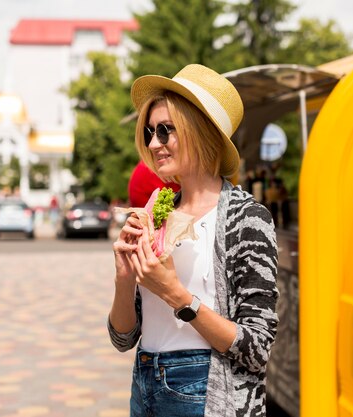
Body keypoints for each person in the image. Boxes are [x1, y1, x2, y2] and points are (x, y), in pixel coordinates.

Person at [108, 64, 279, 417]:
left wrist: (176, 295)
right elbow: (123, 339)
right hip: (145, 384)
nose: (154, 143)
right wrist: (124, 278)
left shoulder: (246, 218)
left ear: (199, 132)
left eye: (166, 131)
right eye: (151, 132)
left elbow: (257, 348)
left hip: (205, 390)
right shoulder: (158, 214)